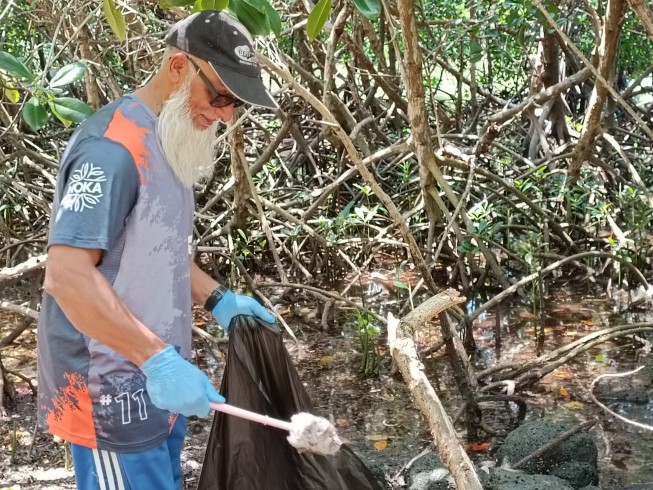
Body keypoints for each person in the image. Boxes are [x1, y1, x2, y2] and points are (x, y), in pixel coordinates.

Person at [36, 10, 278, 490]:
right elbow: (66, 276)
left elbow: (152, 252)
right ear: (179, 68)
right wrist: (156, 360)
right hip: (111, 393)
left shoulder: (169, 138)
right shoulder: (110, 151)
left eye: (237, 104)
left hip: (157, 381)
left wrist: (218, 300)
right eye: (221, 95)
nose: (226, 114)